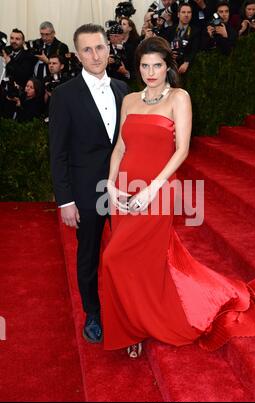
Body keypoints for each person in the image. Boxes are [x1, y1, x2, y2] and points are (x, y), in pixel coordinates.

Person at [102, 36, 255, 359]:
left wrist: (152, 188)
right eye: (145, 66)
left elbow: (181, 150)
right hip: (123, 187)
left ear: (168, 67)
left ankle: (147, 322)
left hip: (158, 189)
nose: (151, 72)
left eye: (157, 66)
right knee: (139, 261)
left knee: (114, 258)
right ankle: (134, 326)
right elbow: (120, 147)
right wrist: (110, 184)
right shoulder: (131, 100)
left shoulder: (179, 97)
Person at [49, 24, 129, 344]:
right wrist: (65, 201)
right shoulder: (64, 95)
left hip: (123, 187)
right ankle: (93, 313)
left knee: (127, 250)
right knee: (89, 255)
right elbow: (58, 153)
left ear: (109, 50)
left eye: (100, 48)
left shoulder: (125, 90)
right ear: (77, 54)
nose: (95, 55)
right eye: (87, 49)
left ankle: (129, 307)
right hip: (86, 192)